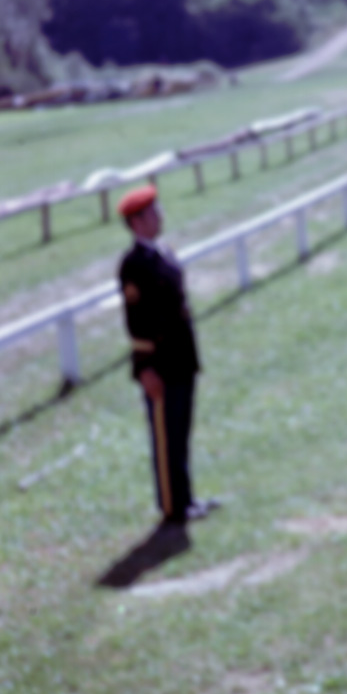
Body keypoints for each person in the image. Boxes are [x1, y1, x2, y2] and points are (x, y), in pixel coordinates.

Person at [117, 185, 217, 526]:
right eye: (152, 212)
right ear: (136, 222)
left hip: (181, 358)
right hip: (159, 363)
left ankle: (186, 498)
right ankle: (172, 507)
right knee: (165, 434)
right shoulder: (134, 265)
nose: (160, 216)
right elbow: (136, 322)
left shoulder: (164, 252)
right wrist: (145, 368)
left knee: (181, 430)